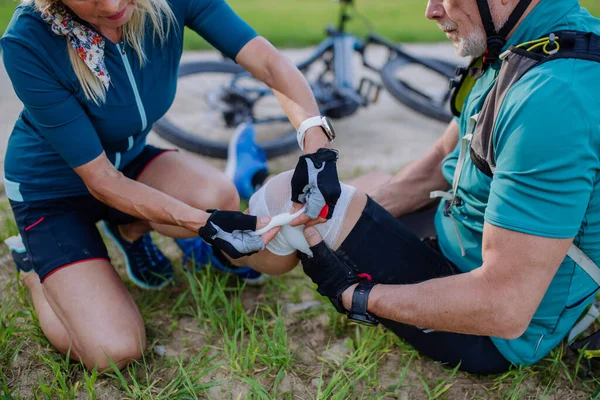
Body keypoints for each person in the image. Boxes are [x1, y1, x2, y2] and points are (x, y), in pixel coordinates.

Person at [234, 0, 600, 374]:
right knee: (360, 189)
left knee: (278, 198)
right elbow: (446, 153)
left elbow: (504, 307)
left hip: (491, 331)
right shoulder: (532, 40)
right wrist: (349, 212)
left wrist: (356, 296)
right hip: (460, 239)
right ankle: (245, 220)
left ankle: (222, 241)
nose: (431, 10)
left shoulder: (551, 101)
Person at [1, 0, 342, 371]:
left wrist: (316, 147)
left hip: (128, 162)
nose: (114, 5)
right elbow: (99, 179)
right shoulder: (27, 39)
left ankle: (129, 229)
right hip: (52, 193)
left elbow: (270, 63)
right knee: (113, 351)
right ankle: (35, 271)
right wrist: (202, 224)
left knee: (217, 195)